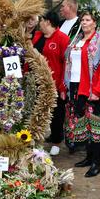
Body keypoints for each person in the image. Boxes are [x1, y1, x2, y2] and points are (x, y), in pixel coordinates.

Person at [64, 9, 100, 177]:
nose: (84, 22)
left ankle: (96, 162)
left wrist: (98, 91)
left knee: (96, 127)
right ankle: (87, 157)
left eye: (87, 19)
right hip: (76, 87)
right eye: (82, 19)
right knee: (83, 123)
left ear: (95, 22)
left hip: (93, 89)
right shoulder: (77, 40)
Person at [32, 11, 69, 156]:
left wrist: (62, 86)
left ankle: (56, 141)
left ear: (47, 22)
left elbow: (66, 64)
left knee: (56, 112)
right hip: (36, 81)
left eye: (41, 20)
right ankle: (36, 139)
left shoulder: (62, 39)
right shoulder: (37, 37)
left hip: (54, 83)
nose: (39, 23)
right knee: (37, 111)